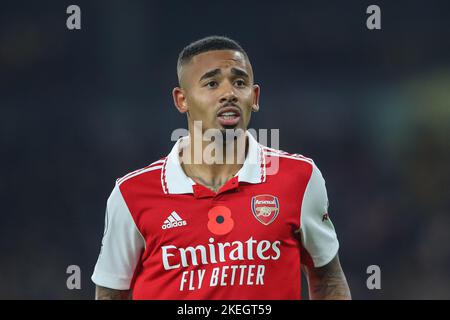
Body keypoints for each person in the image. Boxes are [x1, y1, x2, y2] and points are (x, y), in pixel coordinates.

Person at [91, 35, 351, 300]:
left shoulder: (300, 178)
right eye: (212, 83)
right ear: (182, 100)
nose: (229, 94)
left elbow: (328, 280)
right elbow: (111, 294)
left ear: (255, 96)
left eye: (240, 83)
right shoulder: (131, 194)